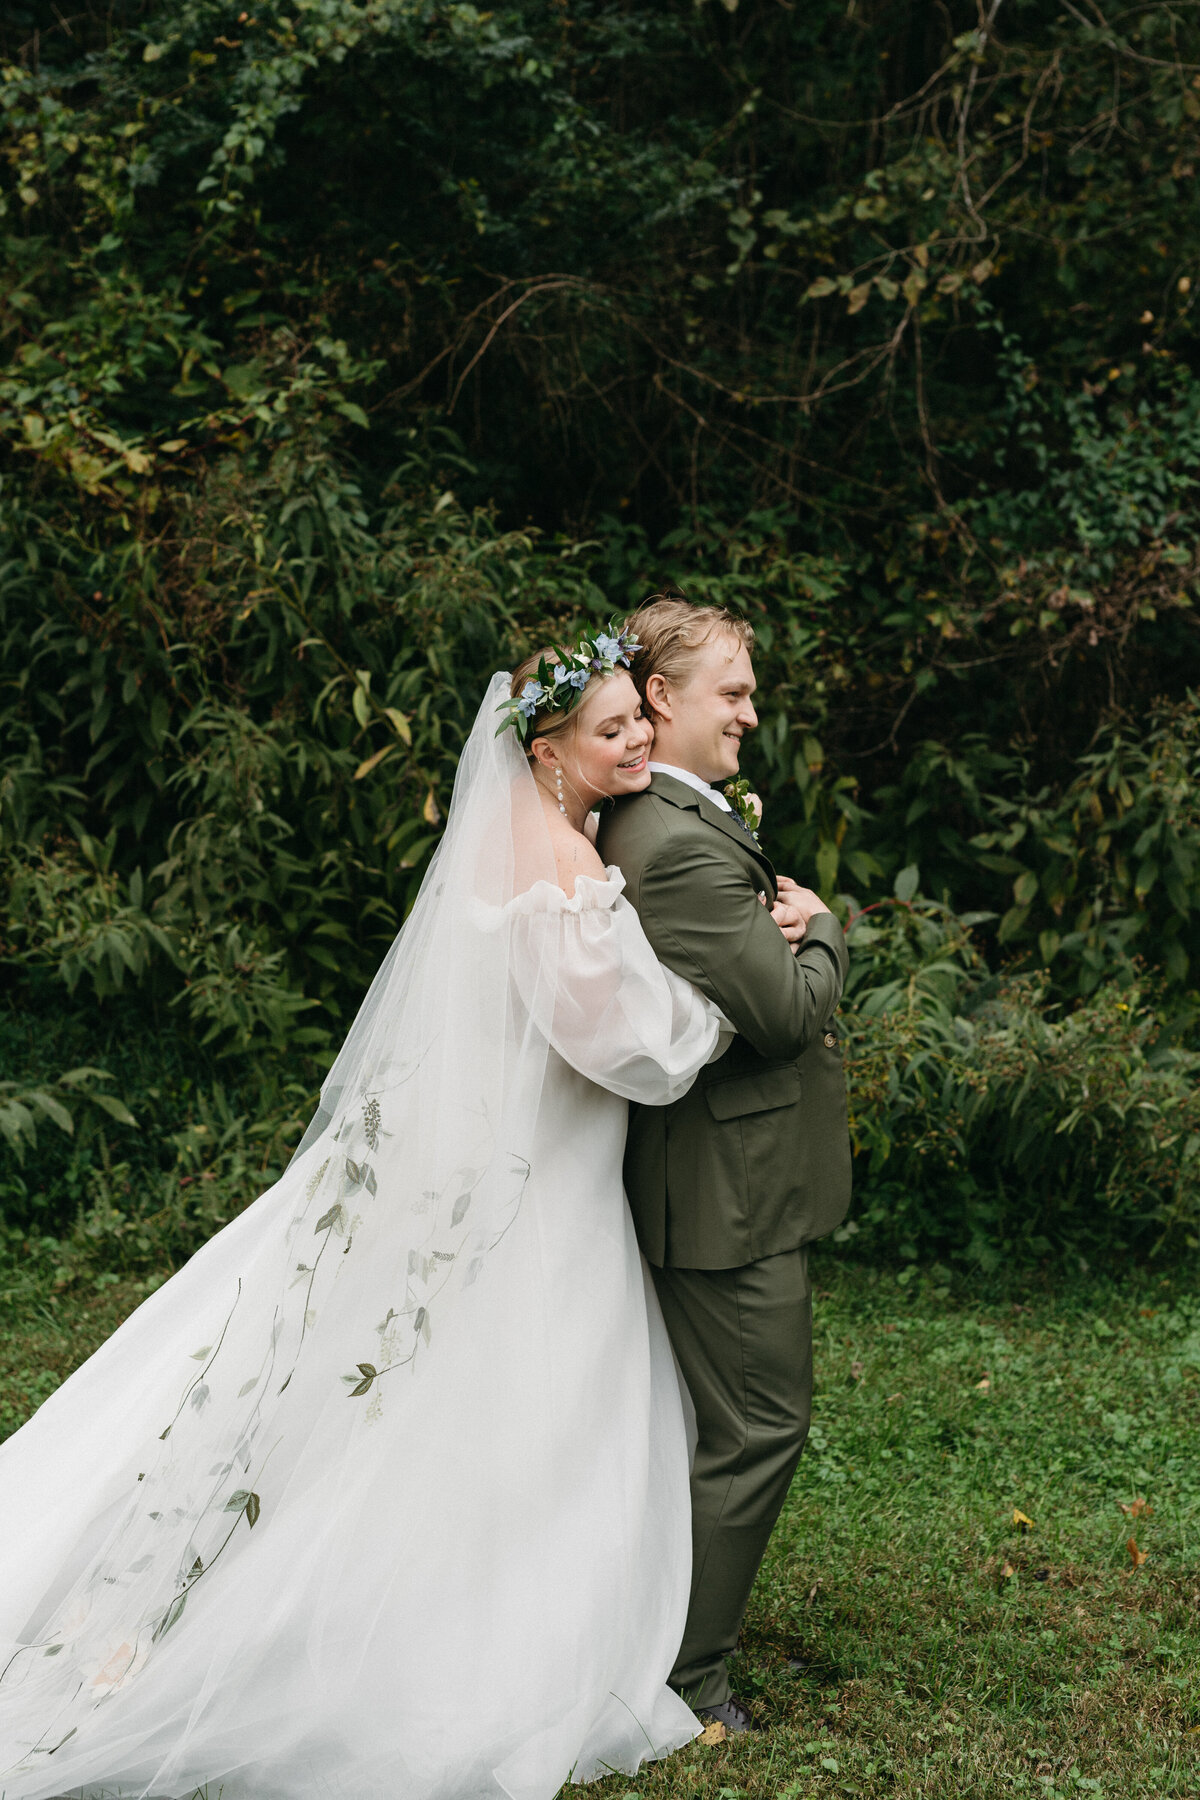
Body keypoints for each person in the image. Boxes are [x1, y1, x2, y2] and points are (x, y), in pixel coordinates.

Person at [0, 627, 799, 1800]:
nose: (635, 741)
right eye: (610, 727)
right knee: (511, 1399)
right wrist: (744, 989)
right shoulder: (564, 874)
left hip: (479, 1155)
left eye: (639, 718)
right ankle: (457, 1628)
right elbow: (635, 1052)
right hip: (533, 1184)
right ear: (548, 748)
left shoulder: (533, 839)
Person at [597, 596, 851, 1734]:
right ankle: (688, 1679)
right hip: (725, 1198)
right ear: (660, 697)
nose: (752, 711)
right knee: (756, 1428)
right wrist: (829, 928)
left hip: (722, 1182)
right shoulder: (676, 846)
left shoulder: (675, 818)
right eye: (733, 691)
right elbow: (787, 1016)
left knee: (713, 1427)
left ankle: (665, 1638)